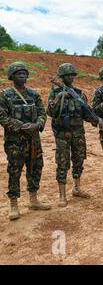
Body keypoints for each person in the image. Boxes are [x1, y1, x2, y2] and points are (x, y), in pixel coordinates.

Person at [47, 63, 103, 207]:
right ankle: (62, 195)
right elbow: (50, 112)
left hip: (78, 132)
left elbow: (86, 111)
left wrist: (96, 120)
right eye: (67, 75)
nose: (70, 77)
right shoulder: (54, 92)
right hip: (62, 134)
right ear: (61, 77)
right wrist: (59, 96)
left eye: (72, 75)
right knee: (62, 162)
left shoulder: (78, 93)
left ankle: (76, 188)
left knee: (79, 159)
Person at [0, 62, 51, 220]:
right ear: (12, 77)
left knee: (35, 167)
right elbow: (2, 116)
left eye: (24, 74)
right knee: (15, 170)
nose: (22, 76)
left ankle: (33, 199)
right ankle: (14, 204)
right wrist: (21, 126)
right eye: (18, 74)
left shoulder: (34, 94)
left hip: (33, 139)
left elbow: (43, 113)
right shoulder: (5, 95)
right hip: (15, 141)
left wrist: (37, 124)